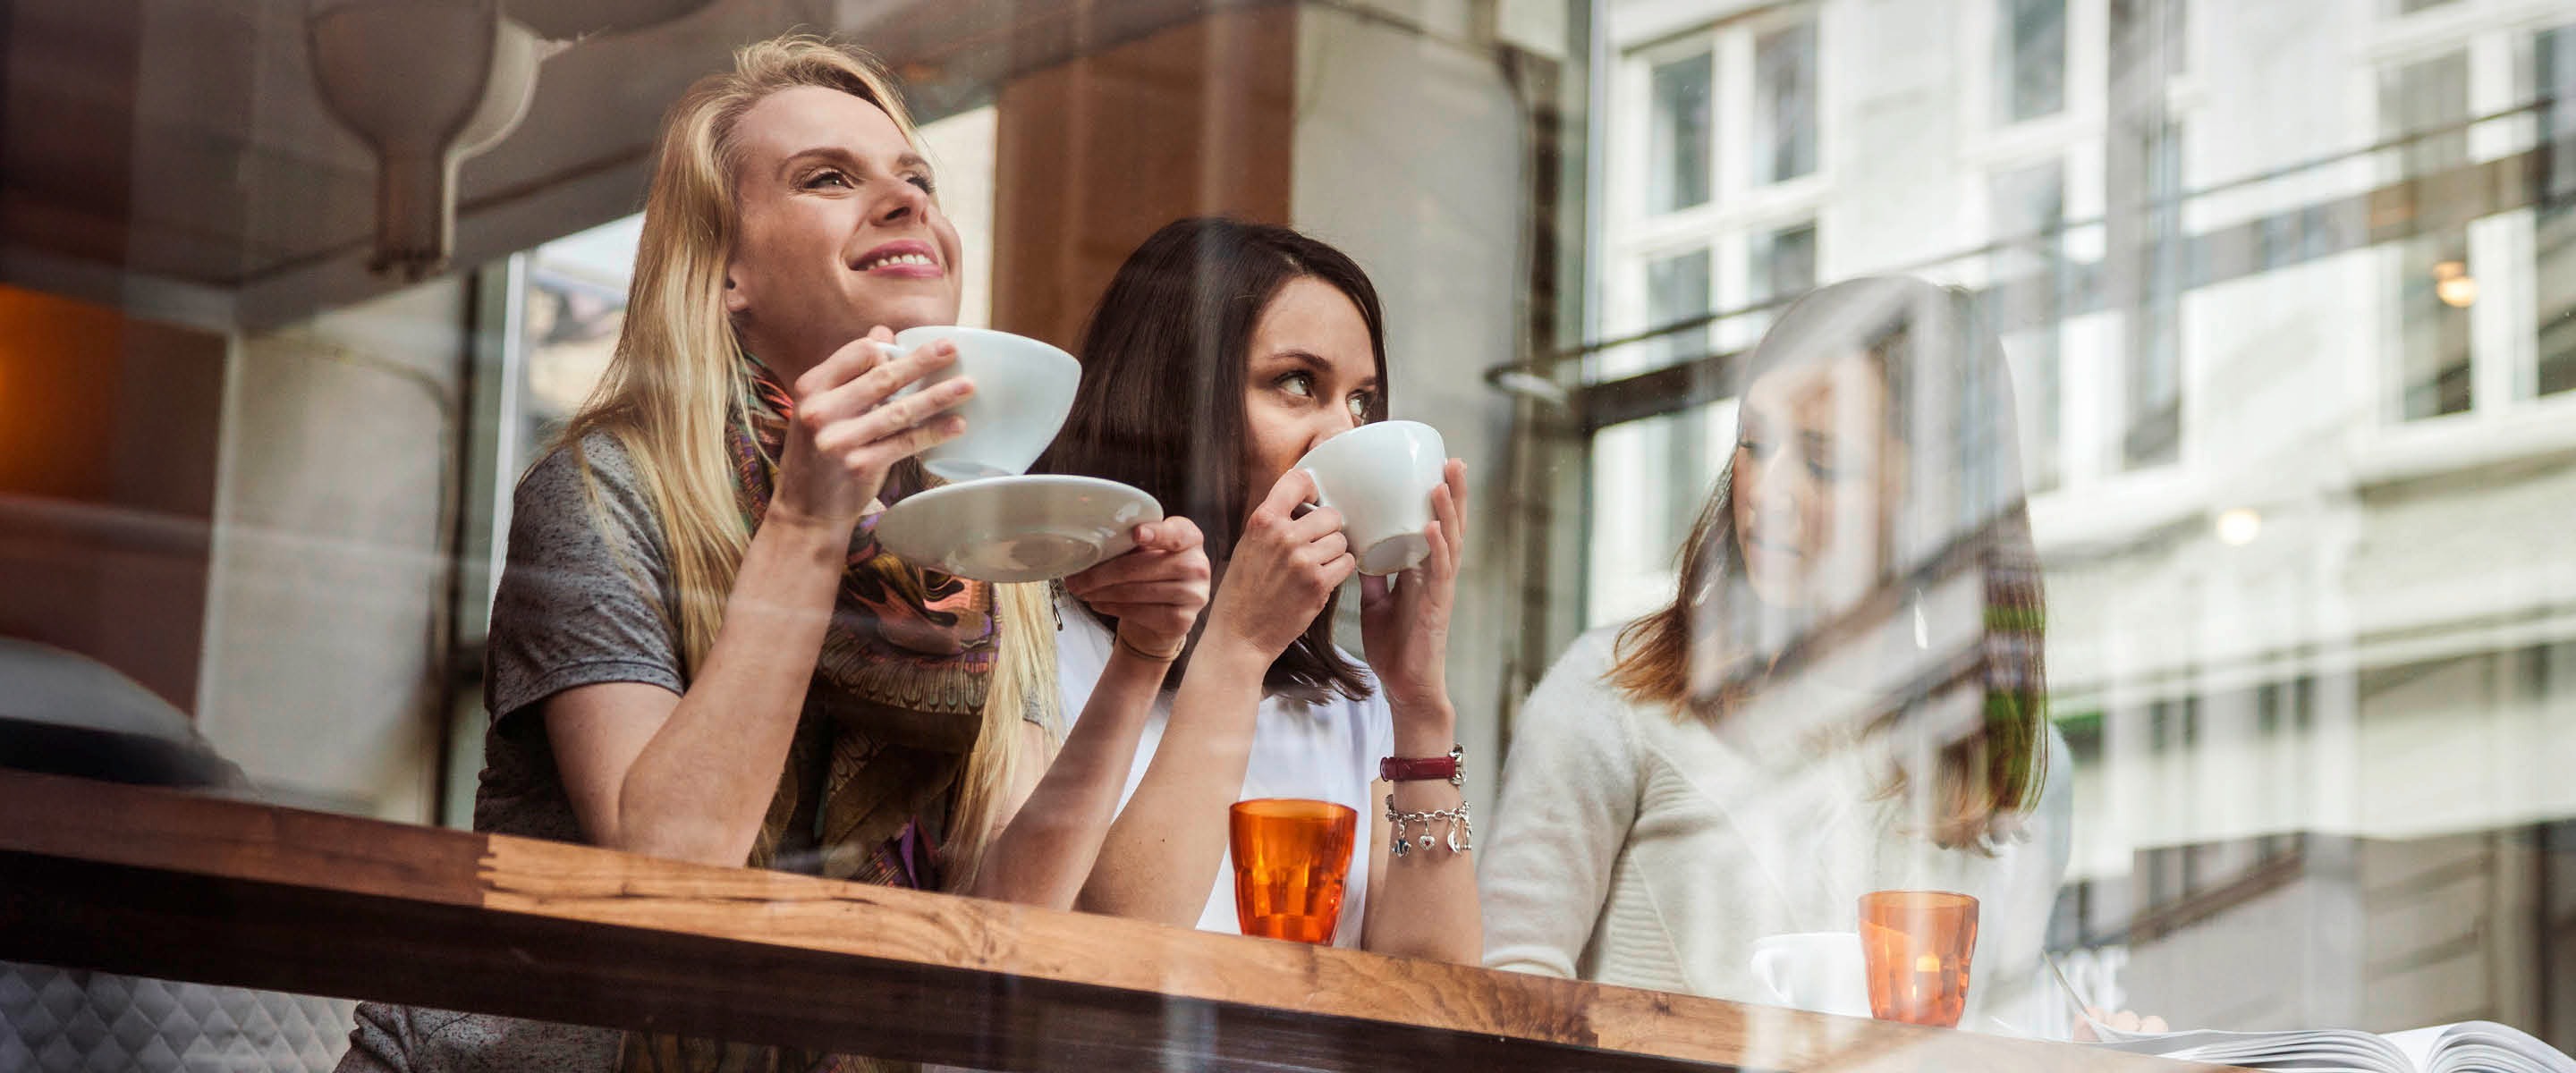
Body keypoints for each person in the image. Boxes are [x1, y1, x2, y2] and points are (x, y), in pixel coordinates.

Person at [339, 36, 1209, 1073]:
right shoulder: (608, 487)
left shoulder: (965, 539)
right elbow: (667, 873)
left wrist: (1142, 662)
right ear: (724, 275)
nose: (905, 203)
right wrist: (806, 524)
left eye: (917, 178)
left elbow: (1009, 917)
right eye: (829, 178)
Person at [1479, 275, 2073, 1020]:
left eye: (1825, 463)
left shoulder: (2019, 773)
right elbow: (1510, 999)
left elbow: (2000, 1042)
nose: (1769, 493)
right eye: (1755, 446)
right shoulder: (1615, 690)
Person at [1033, 217, 1480, 962]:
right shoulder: (1035, 641)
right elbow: (1117, 958)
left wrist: (1419, 709)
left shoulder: (1352, 700)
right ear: (1175, 404)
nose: (1344, 432)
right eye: (1298, 383)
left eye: (1364, 402)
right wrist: (1236, 649)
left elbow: (1440, 993)